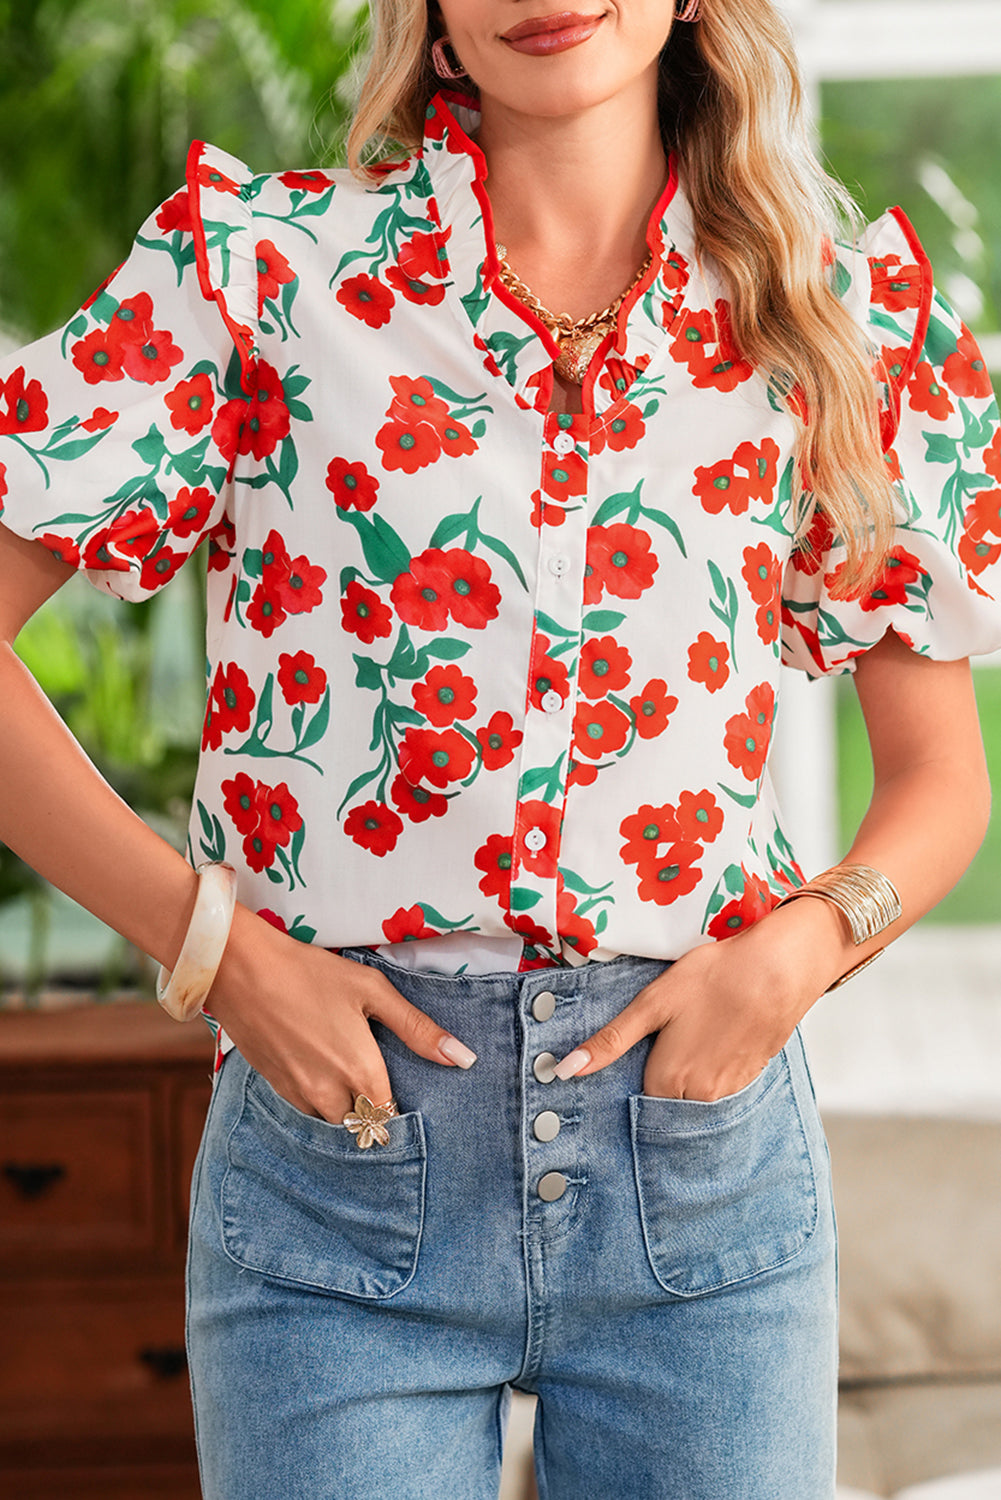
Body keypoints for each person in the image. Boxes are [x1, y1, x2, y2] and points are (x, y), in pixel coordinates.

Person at [1, 0, 999, 1494]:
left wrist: (793, 955)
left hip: (698, 1152)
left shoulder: (839, 310)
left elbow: (935, 784)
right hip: (340, 1149)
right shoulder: (255, 270)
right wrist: (220, 953)